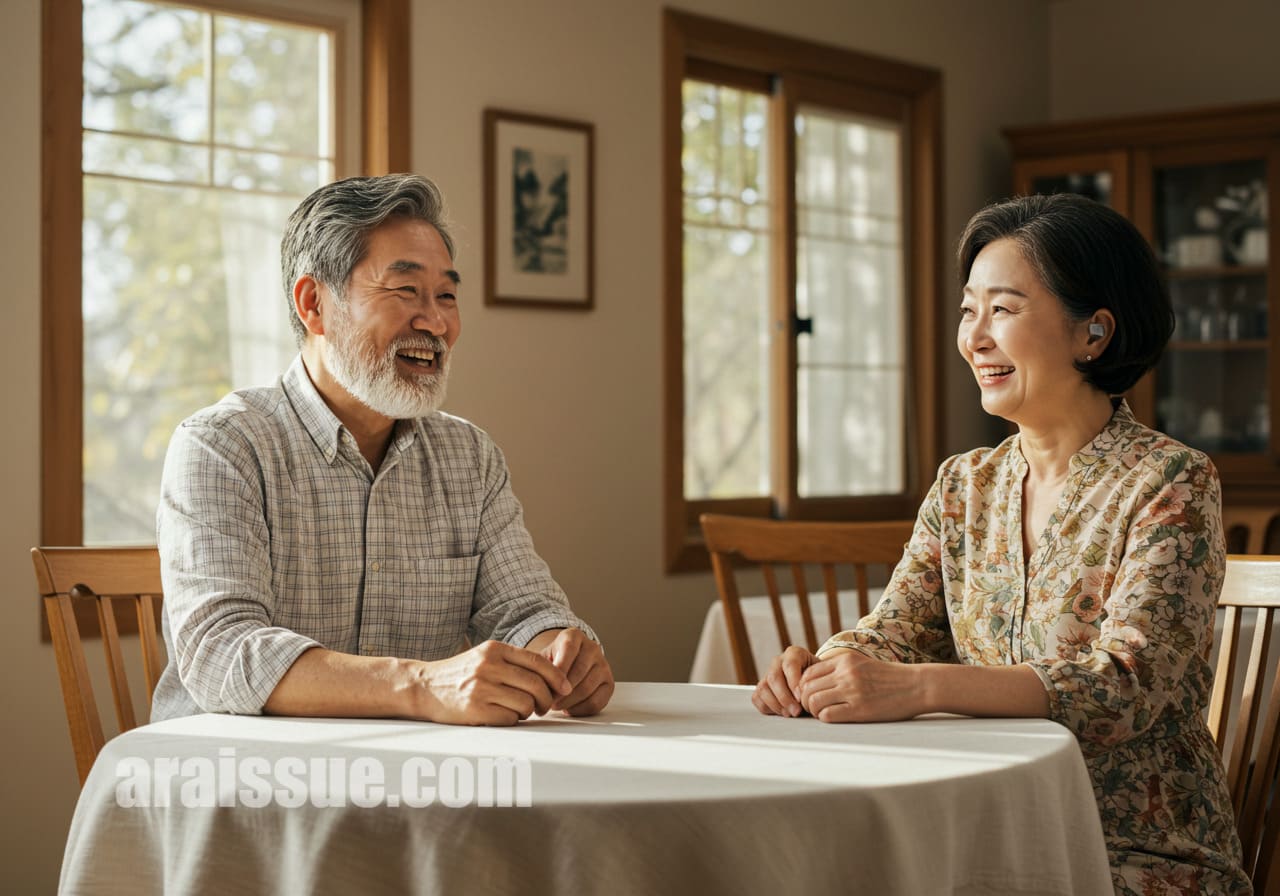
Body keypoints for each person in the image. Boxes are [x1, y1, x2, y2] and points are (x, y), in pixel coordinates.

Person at [753, 193, 1251, 894]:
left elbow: (1126, 687)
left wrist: (920, 687)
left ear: (1094, 334)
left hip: (1136, 854)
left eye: (1003, 309)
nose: (975, 337)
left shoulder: (1170, 479)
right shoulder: (964, 485)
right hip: (982, 830)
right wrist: (827, 667)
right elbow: (893, 633)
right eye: (968, 311)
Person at [152, 173, 614, 726]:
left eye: (447, 295)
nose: (437, 322)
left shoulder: (469, 457)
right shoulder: (222, 446)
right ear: (313, 304)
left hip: (415, 774)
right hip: (245, 781)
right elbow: (219, 650)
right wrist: (419, 685)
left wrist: (560, 651)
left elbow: (523, 610)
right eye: (405, 291)